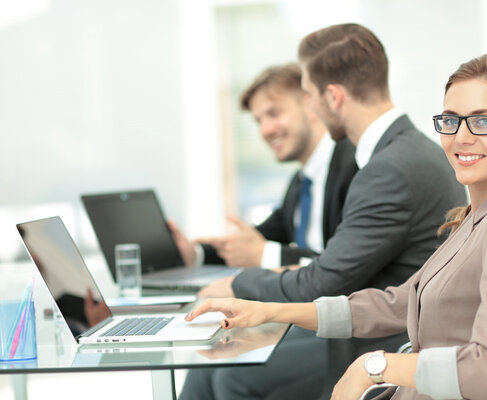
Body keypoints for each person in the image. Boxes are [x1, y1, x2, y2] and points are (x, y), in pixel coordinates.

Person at [185, 52, 487, 399]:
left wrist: (373, 368)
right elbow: (399, 303)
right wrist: (270, 311)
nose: (462, 137)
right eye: (451, 121)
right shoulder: (483, 211)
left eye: (485, 121)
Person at [180, 23, 466, 400]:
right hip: (379, 328)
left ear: (333, 97)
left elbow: (324, 282)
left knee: (231, 375)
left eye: (309, 95)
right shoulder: (402, 154)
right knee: (212, 366)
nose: (310, 107)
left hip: (392, 345)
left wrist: (238, 284)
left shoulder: (390, 170)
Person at [170, 63, 357, 270]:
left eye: (274, 114)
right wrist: (196, 254)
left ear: (311, 105)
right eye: (258, 121)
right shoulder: (300, 184)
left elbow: (346, 262)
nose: (265, 130)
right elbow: (256, 241)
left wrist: (265, 255)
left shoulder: (356, 166)